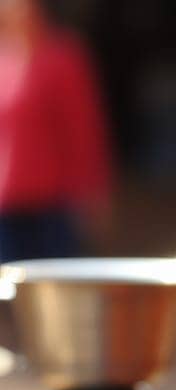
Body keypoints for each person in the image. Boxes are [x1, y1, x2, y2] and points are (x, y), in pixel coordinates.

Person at [0, 0, 110, 261]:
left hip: (51, 207)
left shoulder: (62, 56)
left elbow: (82, 129)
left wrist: (92, 193)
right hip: (5, 205)